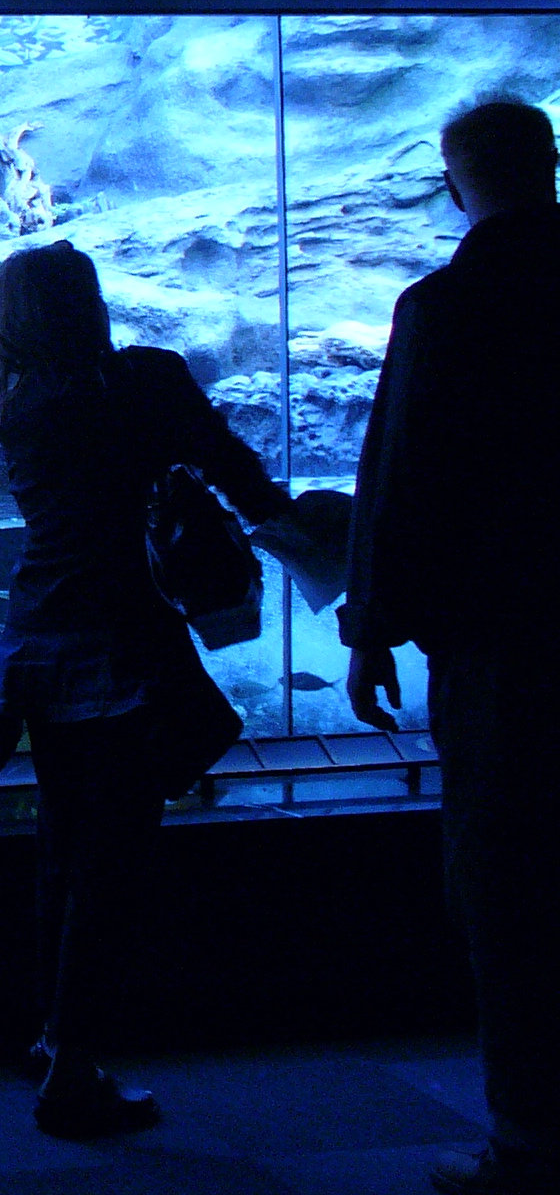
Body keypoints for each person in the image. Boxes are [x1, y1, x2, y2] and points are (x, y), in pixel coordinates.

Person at [0, 240, 297, 1139]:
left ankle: (52, 1037)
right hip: (119, 642)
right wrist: (309, 534)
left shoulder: (19, 404)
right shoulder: (142, 382)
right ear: (90, 304)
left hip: (37, 637)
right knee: (114, 859)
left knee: (64, 846)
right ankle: (74, 1070)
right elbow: (234, 469)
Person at [344, 98, 560, 1195]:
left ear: (452, 183)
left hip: (498, 646)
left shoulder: (444, 305)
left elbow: (402, 479)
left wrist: (371, 625)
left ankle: (527, 1136)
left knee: (505, 876)